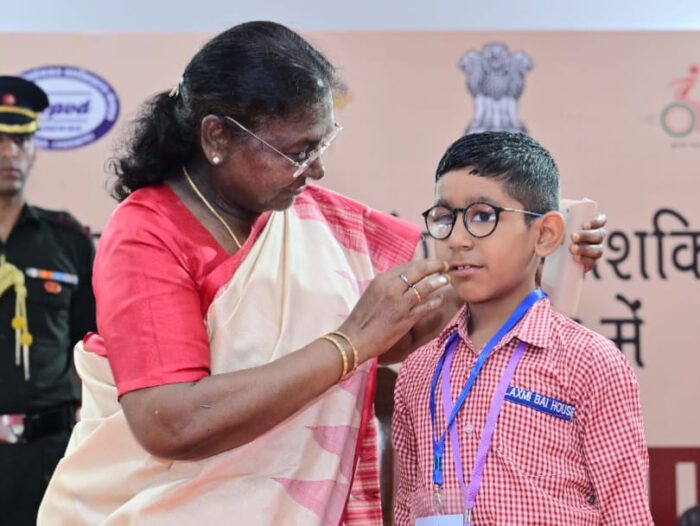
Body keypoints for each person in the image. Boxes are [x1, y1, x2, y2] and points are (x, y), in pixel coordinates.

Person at [39, 23, 605, 525]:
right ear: (216, 137)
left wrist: (539, 249)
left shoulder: (322, 222)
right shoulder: (148, 232)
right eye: (298, 150)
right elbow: (170, 423)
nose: (316, 169)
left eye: (323, 142)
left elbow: (429, 304)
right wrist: (350, 343)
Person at [392, 132, 652, 525]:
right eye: (445, 218)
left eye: (483, 216)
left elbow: (626, 512)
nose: (457, 240)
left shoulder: (590, 361)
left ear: (545, 234)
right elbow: (406, 506)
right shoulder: (418, 370)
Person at [0, 76, 96, 526]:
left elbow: (90, 346)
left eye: (20, 140)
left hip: (47, 456)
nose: (9, 153)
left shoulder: (67, 241)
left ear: (34, 148)